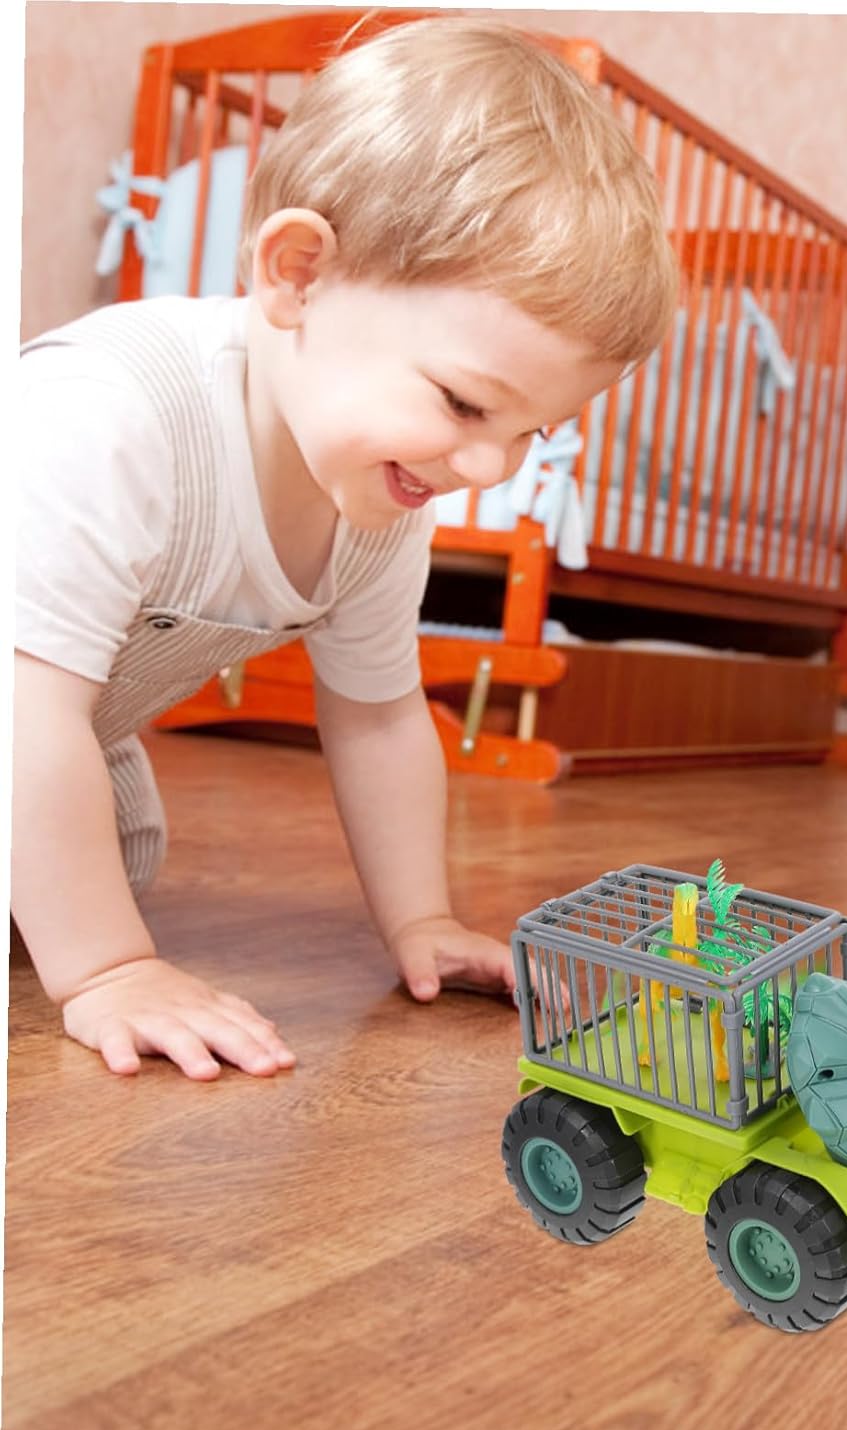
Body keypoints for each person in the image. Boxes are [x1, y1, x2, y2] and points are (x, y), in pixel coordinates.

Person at [14, 17, 677, 1082]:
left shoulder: (375, 510)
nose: (487, 468)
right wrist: (106, 971)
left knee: (117, 852)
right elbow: (23, 708)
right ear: (300, 273)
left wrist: (421, 919)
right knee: (77, 881)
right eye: (464, 403)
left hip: (63, 729)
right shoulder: (112, 415)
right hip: (23, 707)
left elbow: (377, 717)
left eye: (531, 433)